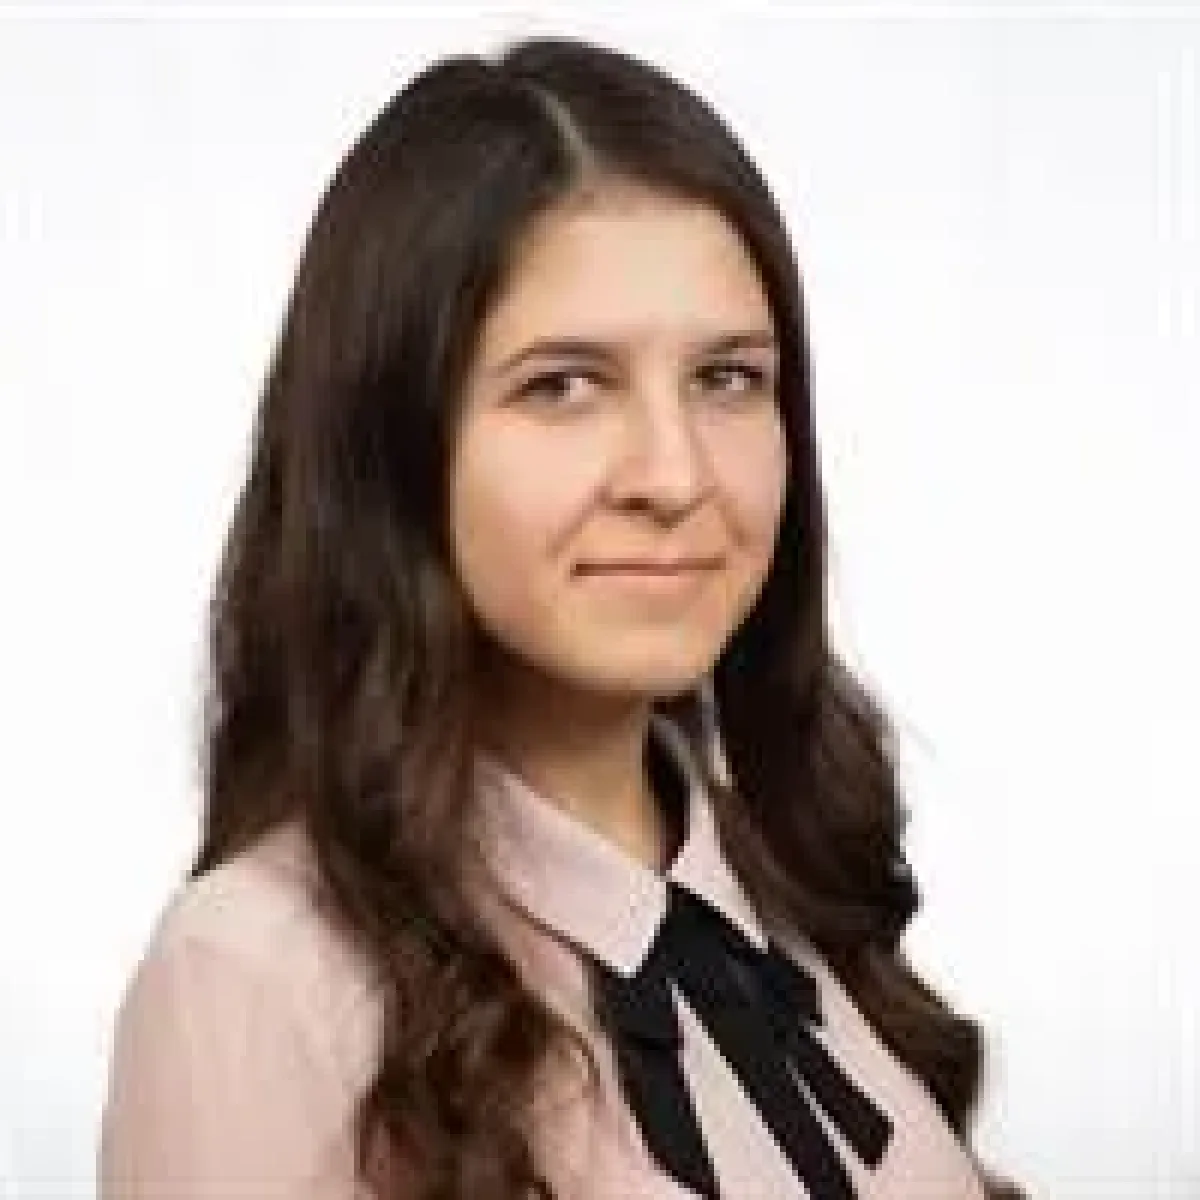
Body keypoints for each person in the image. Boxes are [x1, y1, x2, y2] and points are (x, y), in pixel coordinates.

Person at [98, 36, 1024, 1200]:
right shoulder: (254, 975)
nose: (675, 475)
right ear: (393, 447)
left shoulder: (793, 882)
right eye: (564, 385)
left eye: (728, 377)